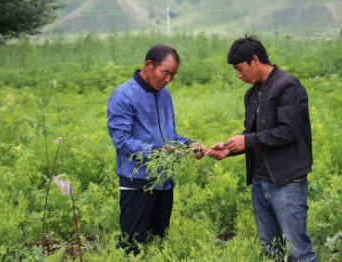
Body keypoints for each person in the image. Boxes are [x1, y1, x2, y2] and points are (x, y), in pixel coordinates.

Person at [206, 36, 318, 262]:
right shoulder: (252, 94)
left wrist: (246, 141)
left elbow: (289, 131)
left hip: (286, 181)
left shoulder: (288, 86)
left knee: (298, 249)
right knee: (270, 247)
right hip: (260, 181)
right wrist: (231, 148)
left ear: (255, 60)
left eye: (240, 69)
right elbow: (257, 134)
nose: (239, 75)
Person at [107, 44, 206, 256]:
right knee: (133, 247)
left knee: (158, 245)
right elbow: (121, 139)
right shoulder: (124, 95)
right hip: (137, 184)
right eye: (166, 73)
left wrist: (188, 145)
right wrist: (156, 151)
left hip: (164, 183)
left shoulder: (164, 94)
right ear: (149, 65)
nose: (168, 79)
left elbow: (169, 137)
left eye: (173, 75)